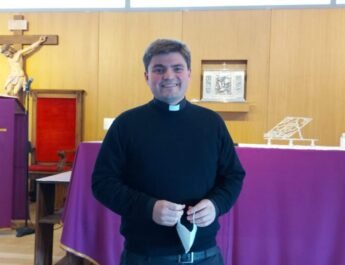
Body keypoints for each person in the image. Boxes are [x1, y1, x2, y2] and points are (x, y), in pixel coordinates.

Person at [92, 39, 245, 265]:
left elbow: (233, 176)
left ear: (189, 73)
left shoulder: (211, 123)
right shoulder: (126, 124)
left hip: (205, 255)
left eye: (177, 68)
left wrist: (216, 205)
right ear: (146, 76)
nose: (168, 76)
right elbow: (102, 183)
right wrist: (148, 207)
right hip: (145, 256)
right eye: (159, 69)